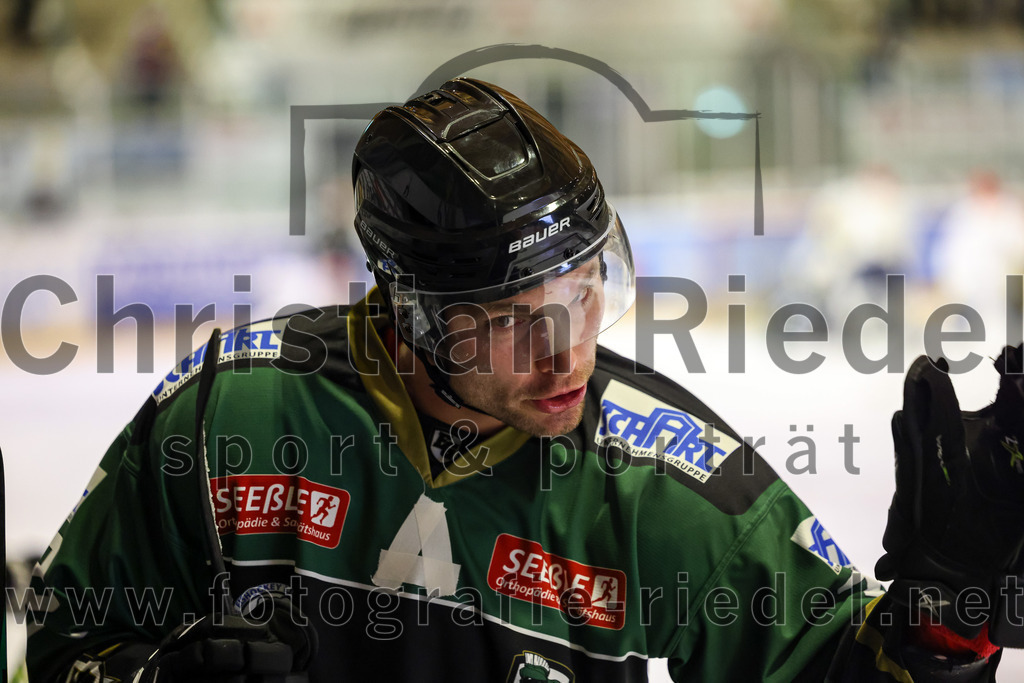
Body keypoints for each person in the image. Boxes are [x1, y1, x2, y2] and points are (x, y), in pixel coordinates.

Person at [24, 78, 1024, 682]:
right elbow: (66, 641)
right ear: (408, 312)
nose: (569, 353)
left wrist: (949, 610)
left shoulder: (659, 482)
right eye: (510, 322)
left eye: (589, 291)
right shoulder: (233, 410)